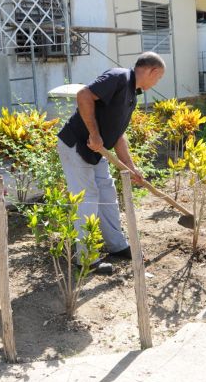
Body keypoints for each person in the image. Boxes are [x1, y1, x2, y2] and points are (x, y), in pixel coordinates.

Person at [57, 52, 166, 275]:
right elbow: (84, 95)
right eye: (158, 78)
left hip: (97, 151)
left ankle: (116, 245)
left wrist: (131, 167)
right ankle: (86, 259)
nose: (157, 82)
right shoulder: (119, 77)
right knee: (87, 198)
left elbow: (117, 136)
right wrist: (94, 134)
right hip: (77, 144)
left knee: (107, 194)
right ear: (152, 71)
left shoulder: (132, 95)